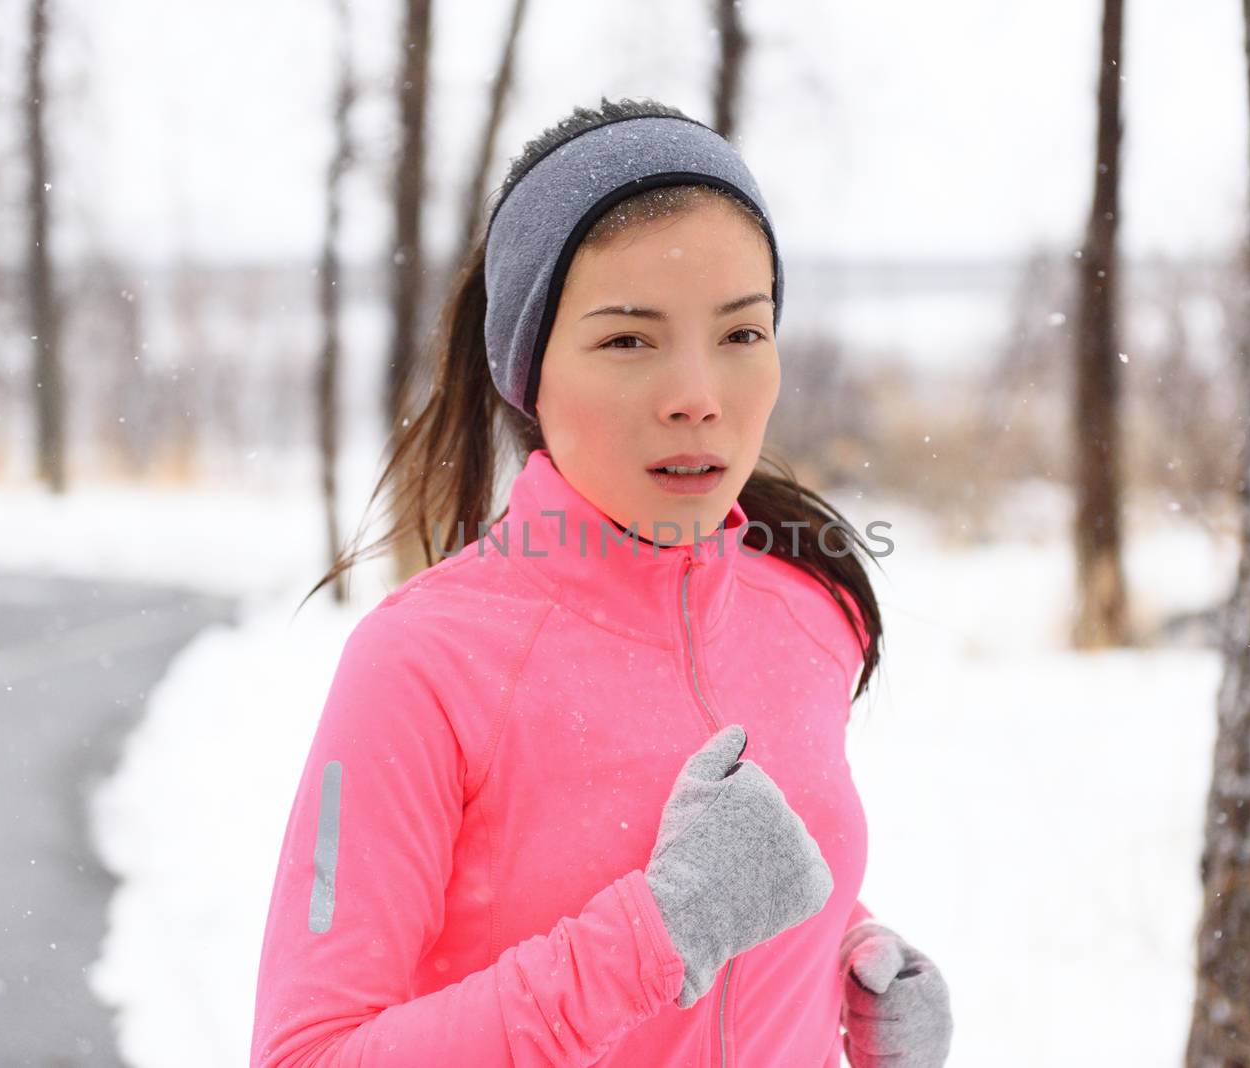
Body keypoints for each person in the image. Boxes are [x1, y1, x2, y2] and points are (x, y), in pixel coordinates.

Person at [249, 95, 952, 1067]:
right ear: (529, 373)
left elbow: (751, 872)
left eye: (742, 334)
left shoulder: (809, 612)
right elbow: (308, 1055)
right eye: (629, 339)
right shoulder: (422, 662)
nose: (698, 398)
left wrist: (847, 955)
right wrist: (655, 936)